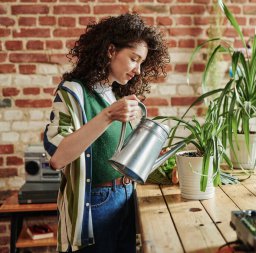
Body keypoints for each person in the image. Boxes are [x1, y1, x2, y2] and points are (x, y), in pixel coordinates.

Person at [43, 13, 169, 253]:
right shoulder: (73, 93)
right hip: (95, 204)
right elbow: (57, 158)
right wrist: (107, 116)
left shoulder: (117, 95)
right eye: (134, 59)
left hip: (127, 197)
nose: (138, 70)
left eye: (142, 63)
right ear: (111, 51)